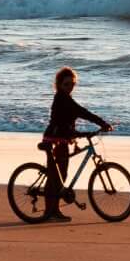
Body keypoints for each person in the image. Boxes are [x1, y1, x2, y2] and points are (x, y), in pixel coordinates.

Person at [40, 66, 110, 222]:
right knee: (58, 176)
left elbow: (82, 112)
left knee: (57, 175)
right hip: (56, 139)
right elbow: (78, 113)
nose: (70, 87)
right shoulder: (61, 98)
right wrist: (98, 125)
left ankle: (52, 210)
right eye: (66, 84)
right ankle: (51, 211)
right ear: (59, 84)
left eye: (72, 84)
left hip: (60, 137)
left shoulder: (66, 98)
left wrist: (101, 123)